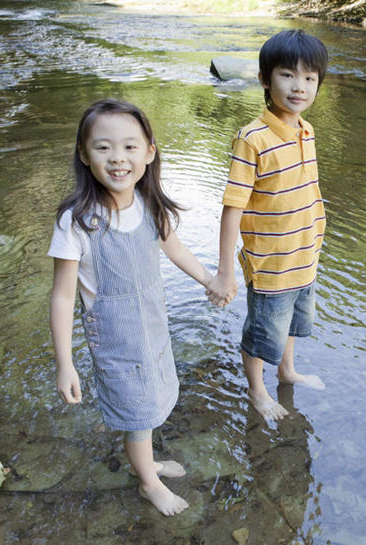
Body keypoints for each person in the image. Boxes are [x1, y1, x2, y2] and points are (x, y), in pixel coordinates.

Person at [49, 98, 213, 516]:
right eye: (103, 148)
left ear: (149, 151)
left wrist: (210, 280)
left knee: (153, 399)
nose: (117, 158)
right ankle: (148, 482)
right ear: (84, 155)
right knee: (137, 413)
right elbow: (64, 296)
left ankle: (146, 459)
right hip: (117, 342)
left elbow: (174, 248)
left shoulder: (147, 202)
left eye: (129, 146)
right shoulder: (78, 221)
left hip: (152, 330)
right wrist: (64, 363)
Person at [207, 29, 329, 421]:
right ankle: (257, 391)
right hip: (271, 263)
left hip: (303, 255)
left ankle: (287, 371)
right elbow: (233, 208)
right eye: (288, 75)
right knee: (263, 332)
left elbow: (306, 190)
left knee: (293, 320)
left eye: (310, 78)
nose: (300, 87)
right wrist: (226, 271)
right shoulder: (252, 138)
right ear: (264, 79)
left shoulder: (305, 130)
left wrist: (316, 236)